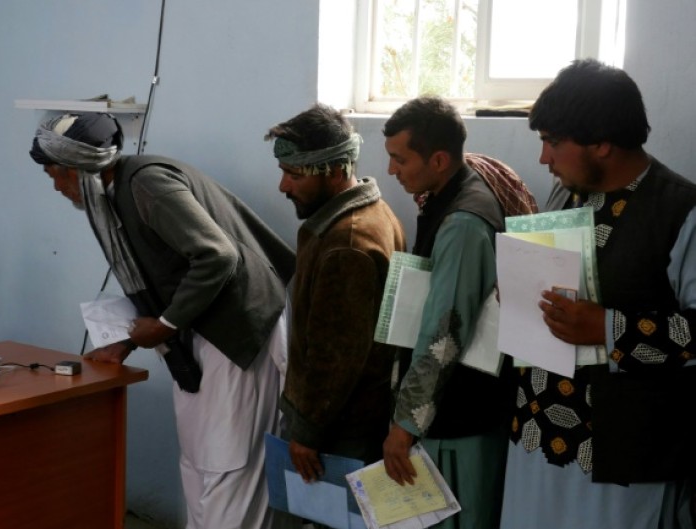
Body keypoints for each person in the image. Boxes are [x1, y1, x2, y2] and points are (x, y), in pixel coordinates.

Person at [28, 112, 296, 529]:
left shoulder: (146, 184)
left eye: (54, 175)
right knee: (199, 462)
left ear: (78, 170)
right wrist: (130, 340)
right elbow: (165, 275)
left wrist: (166, 325)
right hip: (197, 336)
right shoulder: (115, 194)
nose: (56, 187)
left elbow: (218, 256)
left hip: (236, 332)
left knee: (228, 466)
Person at [500, 59, 695, 529]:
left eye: (552, 142)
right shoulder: (566, 194)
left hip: (622, 460)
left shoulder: (679, 210)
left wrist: (608, 328)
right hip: (537, 437)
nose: (544, 159)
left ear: (602, 142)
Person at [381, 96, 537, 529]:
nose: (392, 170)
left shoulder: (463, 223)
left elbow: (443, 333)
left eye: (399, 159)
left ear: (439, 159)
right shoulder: (453, 191)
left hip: (461, 419)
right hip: (455, 412)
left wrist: (404, 425)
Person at [264, 103, 405, 489]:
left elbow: (336, 355)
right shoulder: (373, 211)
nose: (283, 186)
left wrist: (308, 432)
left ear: (336, 171)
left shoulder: (347, 242)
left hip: (345, 429)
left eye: (294, 174)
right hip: (357, 420)